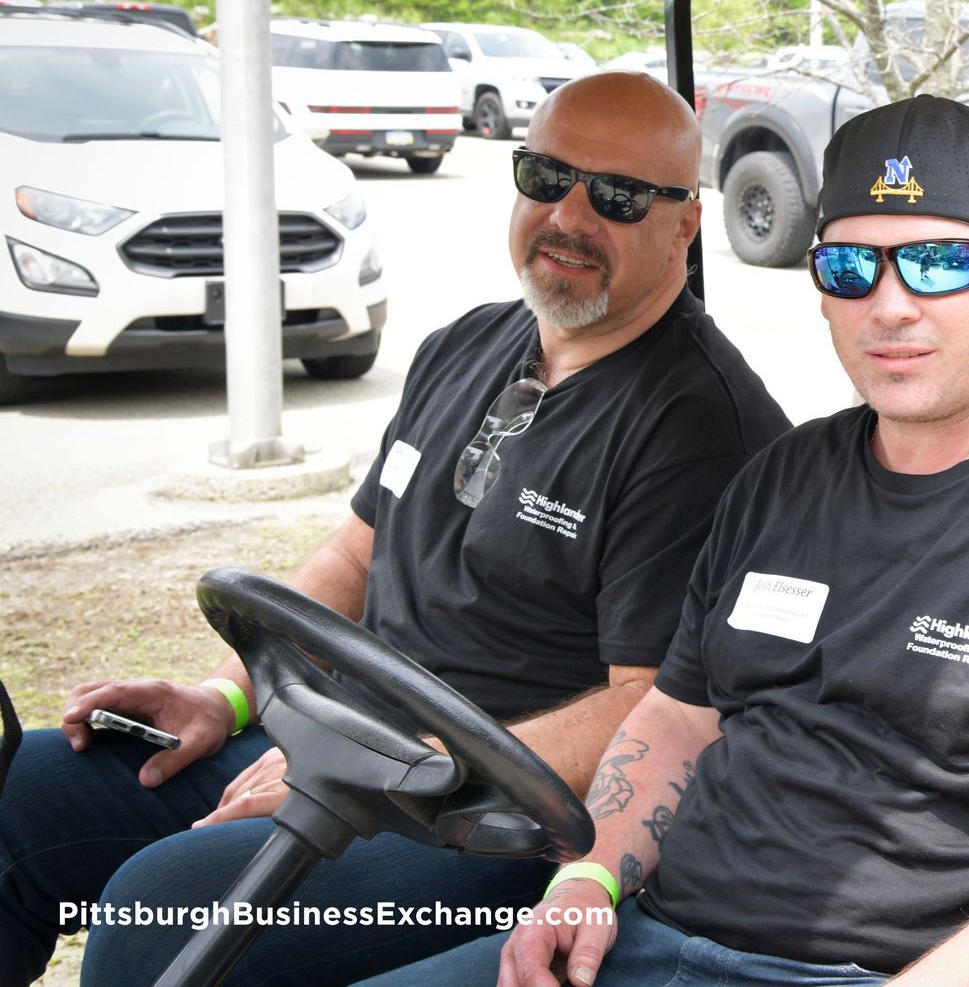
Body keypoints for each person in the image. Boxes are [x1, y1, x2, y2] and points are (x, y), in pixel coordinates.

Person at [367, 94, 969, 987]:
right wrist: (588, 878)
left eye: (938, 263)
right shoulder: (781, 479)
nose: (890, 306)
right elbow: (679, 715)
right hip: (651, 938)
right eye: (851, 266)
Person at [0, 72, 791, 987]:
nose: (569, 216)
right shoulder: (466, 344)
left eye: (617, 196)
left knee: (158, 918)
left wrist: (396, 772)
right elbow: (356, 552)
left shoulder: (701, 431)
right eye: (546, 177)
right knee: (22, 791)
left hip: (493, 821)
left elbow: (649, 704)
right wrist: (223, 698)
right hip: (341, 749)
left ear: (685, 224)